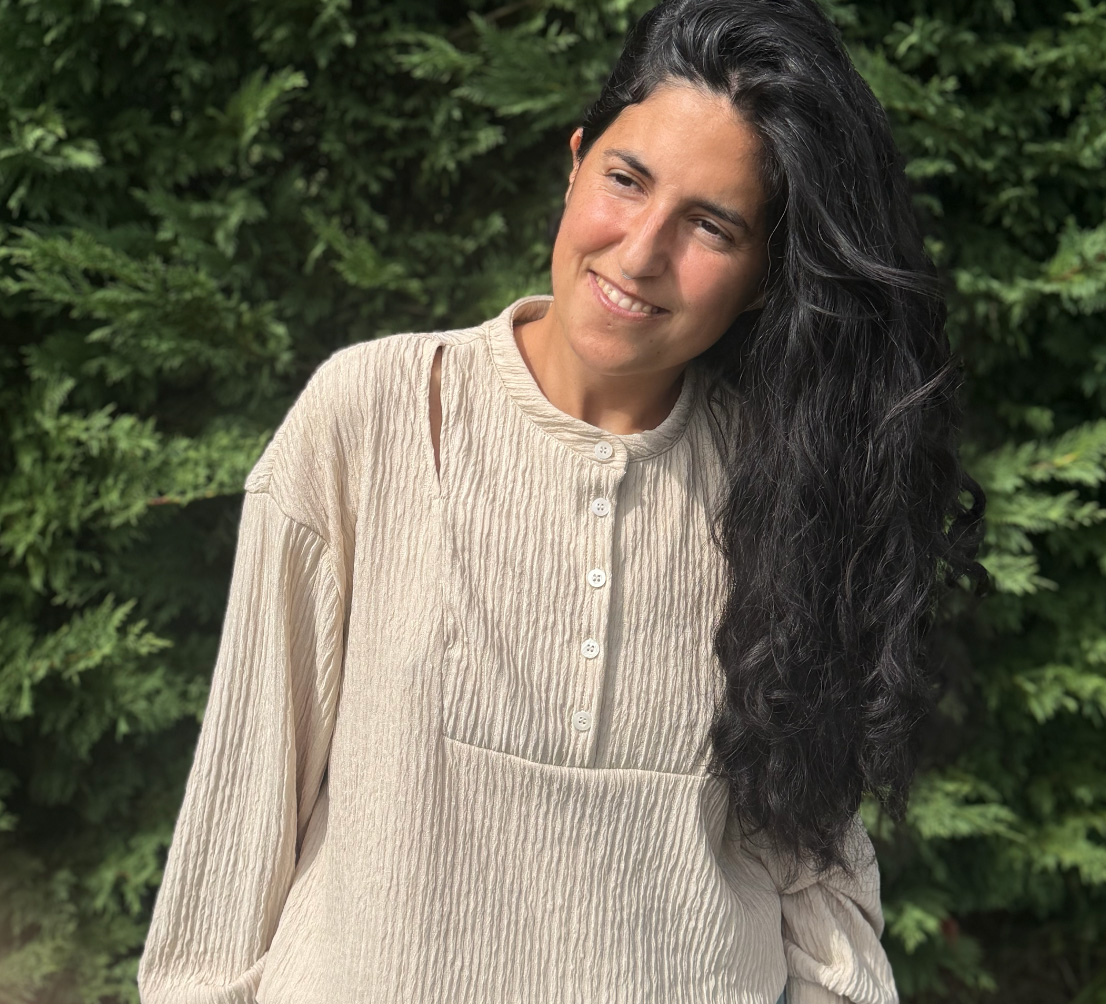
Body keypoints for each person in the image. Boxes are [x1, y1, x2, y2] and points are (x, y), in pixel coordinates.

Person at [137, 0, 985, 1001]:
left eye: (709, 225)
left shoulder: (791, 486)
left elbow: (817, 886)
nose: (638, 253)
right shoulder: (372, 415)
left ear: (762, 277)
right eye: (625, 180)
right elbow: (238, 824)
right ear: (575, 160)